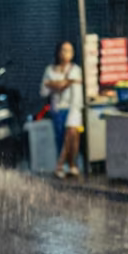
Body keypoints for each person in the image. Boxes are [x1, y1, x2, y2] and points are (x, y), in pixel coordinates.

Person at [42, 41, 84, 179]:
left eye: (69, 50)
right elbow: (43, 91)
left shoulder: (75, 70)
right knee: (61, 137)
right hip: (57, 109)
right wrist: (62, 84)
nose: (66, 53)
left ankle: (64, 164)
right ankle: (68, 165)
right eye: (64, 50)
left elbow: (63, 88)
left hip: (73, 108)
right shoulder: (50, 70)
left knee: (71, 134)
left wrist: (54, 84)